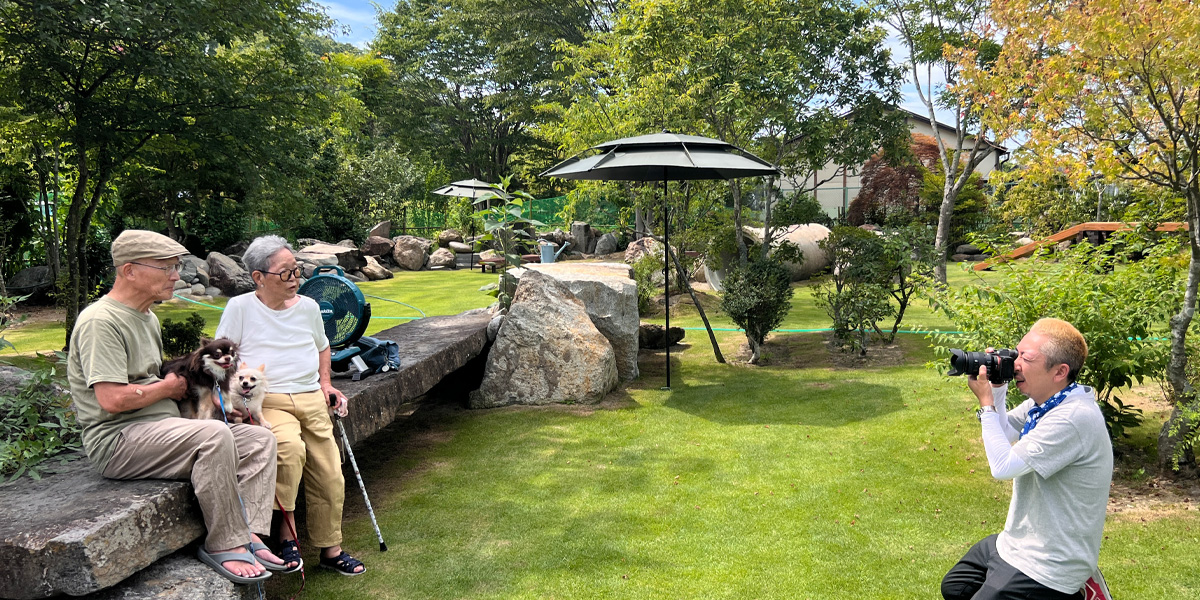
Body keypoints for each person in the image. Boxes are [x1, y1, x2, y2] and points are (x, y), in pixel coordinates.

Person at [67, 230, 292, 585]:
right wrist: (168, 388)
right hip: (118, 439)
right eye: (167, 268)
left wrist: (214, 400)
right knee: (214, 436)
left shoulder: (147, 317)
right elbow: (112, 400)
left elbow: (160, 384)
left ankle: (248, 532)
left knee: (260, 439)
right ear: (129, 270)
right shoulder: (101, 321)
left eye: (176, 267)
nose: (176, 275)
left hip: (164, 429)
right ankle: (224, 543)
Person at [215, 235, 366, 576]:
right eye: (285, 273)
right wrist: (232, 397)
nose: (295, 278)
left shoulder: (309, 307)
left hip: (310, 396)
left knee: (330, 471)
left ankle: (331, 549)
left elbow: (323, 347)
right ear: (258, 277)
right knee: (288, 451)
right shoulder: (240, 308)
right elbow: (224, 357)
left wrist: (326, 384)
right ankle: (287, 536)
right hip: (267, 399)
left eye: (296, 270)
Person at [941, 318, 1112, 600]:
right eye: (1016, 353)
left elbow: (1003, 467)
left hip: (1051, 562)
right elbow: (1006, 431)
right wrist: (997, 390)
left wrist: (986, 405)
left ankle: (1073, 593)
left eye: (1026, 358)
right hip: (1018, 541)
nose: (1015, 363)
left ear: (1060, 371)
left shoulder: (1072, 418)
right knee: (956, 587)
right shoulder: (1046, 402)